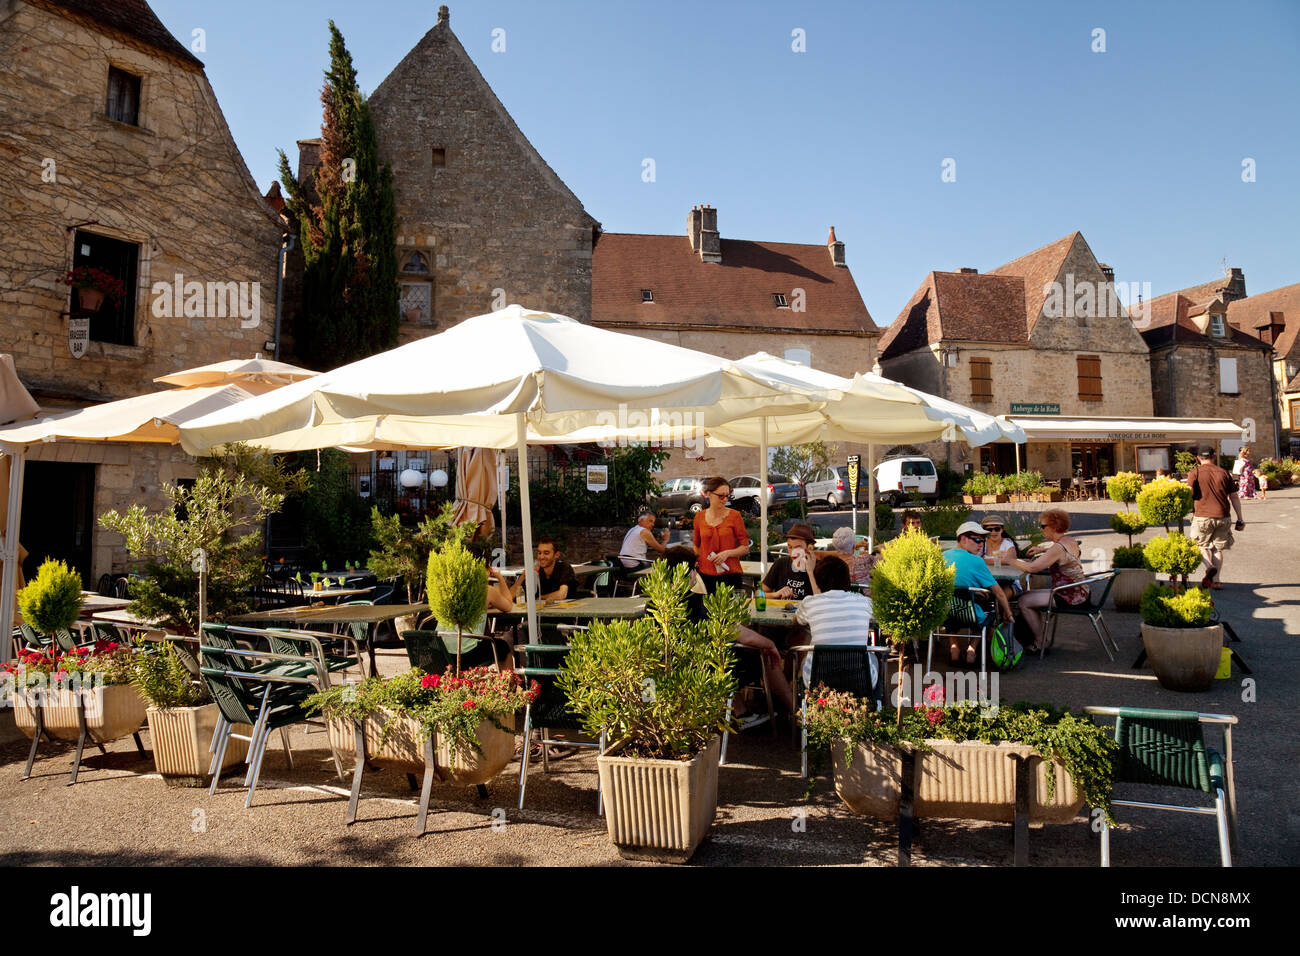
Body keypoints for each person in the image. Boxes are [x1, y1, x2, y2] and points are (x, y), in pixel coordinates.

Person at [662, 545, 794, 714]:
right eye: (695, 568)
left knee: (727, 652)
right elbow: (742, 635)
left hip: (671, 669)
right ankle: (794, 711)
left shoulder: (655, 604)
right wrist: (769, 645)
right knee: (764, 653)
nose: (697, 572)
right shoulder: (698, 603)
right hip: (708, 669)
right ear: (689, 572)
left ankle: (741, 712)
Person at [794, 549, 877, 690]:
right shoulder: (864, 602)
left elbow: (796, 621)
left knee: (803, 660)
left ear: (818, 580)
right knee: (873, 656)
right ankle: (876, 703)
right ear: (847, 580)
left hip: (817, 683)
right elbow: (879, 617)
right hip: (861, 682)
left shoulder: (810, 603)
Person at [1010, 509, 1089, 653]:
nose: (1041, 529)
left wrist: (1010, 560)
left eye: (1043, 526)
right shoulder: (1069, 540)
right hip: (1079, 591)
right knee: (1028, 596)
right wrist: (1042, 550)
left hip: (1068, 596)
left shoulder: (1058, 547)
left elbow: (1033, 567)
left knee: (1023, 601)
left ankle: (1040, 643)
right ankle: (1037, 637)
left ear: (1053, 527)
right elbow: (1061, 554)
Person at [944, 521, 1015, 663]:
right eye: (977, 540)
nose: (981, 544)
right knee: (989, 606)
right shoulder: (977, 562)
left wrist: (972, 592)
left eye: (982, 541)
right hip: (972, 616)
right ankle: (972, 648)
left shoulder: (941, 556)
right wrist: (1008, 614)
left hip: (944, 614)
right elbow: (999, 593)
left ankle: (954, 648)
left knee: (952, 604)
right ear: (963, 539)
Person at [1185, 445, 1245, 589]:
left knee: (1201, 545)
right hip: (1223, 516)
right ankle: (1217, 580)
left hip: (1202, 516)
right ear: (1213, 457)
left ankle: (1209, 566)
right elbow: (1234, 497)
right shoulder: (1224, 473)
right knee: (1217, 549)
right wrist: (1240, 518)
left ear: (1199, 458)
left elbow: (1188, 491)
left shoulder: (1195, 472)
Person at [692, 476, 750, 593]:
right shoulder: (699, 517)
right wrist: (697, 560)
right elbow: (696, 545)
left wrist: (727, 553)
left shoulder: (735, 516)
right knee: (705, 610)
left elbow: (745, 548)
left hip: (730, 574)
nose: (724, 499)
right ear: (709, 494)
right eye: (721, 496)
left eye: (727, 496)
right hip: (705, 574)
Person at [508, 537, 578, 602]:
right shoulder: (537, 571)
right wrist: (523, 576)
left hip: (563, 613)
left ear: (556, 555)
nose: (541, 557)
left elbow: (561, 595)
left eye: (546, 553)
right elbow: (509, 596)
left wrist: (539, 598)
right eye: (539, 553)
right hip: (539, 613)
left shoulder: (564, 567)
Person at [762, 522, 817, 600]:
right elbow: (759, 594)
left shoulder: (820, 568)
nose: (792, 553)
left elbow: (823, 601)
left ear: (810, 547)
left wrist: (811, 573)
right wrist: (776, 594)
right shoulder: (780, 563)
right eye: (790, 547)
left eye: (798, 548)